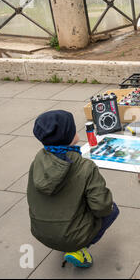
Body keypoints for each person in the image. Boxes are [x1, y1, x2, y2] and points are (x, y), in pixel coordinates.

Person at [27, 110, 119, 268]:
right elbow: (102, 207)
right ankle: (78, 250)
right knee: (112, 209)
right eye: (74, 128)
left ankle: (65, 239)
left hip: (39, 231)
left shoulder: (37, 160)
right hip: (70, 237)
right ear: (69, 135)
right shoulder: (85, 167)